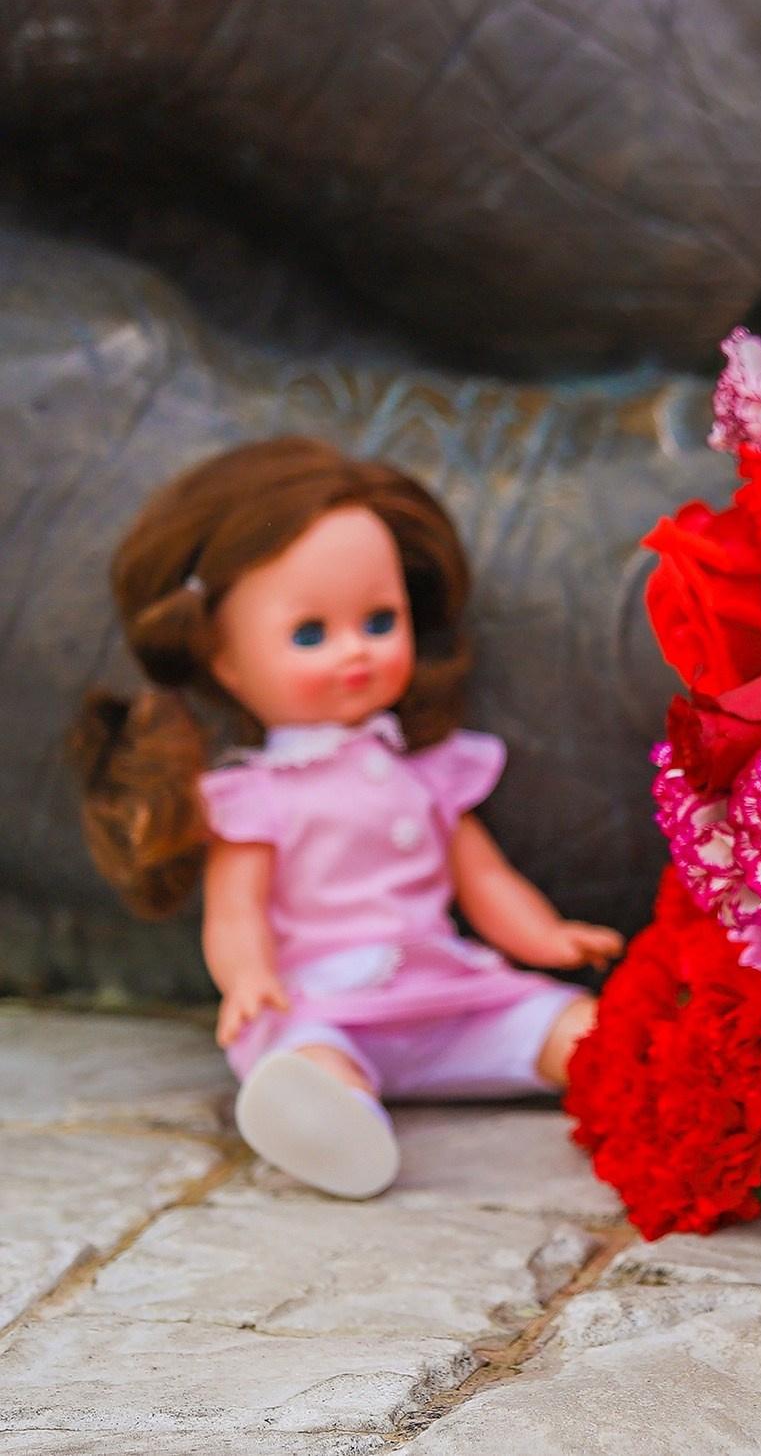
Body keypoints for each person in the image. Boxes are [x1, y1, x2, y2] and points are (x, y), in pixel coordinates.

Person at [74, 438, 623, 1199]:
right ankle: (340, 1119)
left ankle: (627, 1079)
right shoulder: (256, 796)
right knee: (302, 1056)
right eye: (310, 634)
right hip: (322, 1003)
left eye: (379, 620)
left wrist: (544, 936)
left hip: (448, 996)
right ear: (225, 661)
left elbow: (484, 878)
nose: (355, 653)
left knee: (569, 1021)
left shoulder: (429, 772)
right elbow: (235, 913)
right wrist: (246, 978)